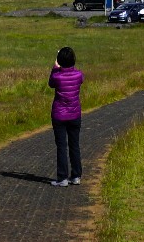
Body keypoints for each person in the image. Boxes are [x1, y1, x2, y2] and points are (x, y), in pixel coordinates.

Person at [48, 46, 83, 186]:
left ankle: (62, 178)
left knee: (61, 146)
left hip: (59, 115)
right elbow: (79, 79)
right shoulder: (79, 75)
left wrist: (55, 67)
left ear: (60, 61)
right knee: (75, 145)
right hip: (75, 114)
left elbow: (51, 84)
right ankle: (76, 176)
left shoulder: (56, 76)